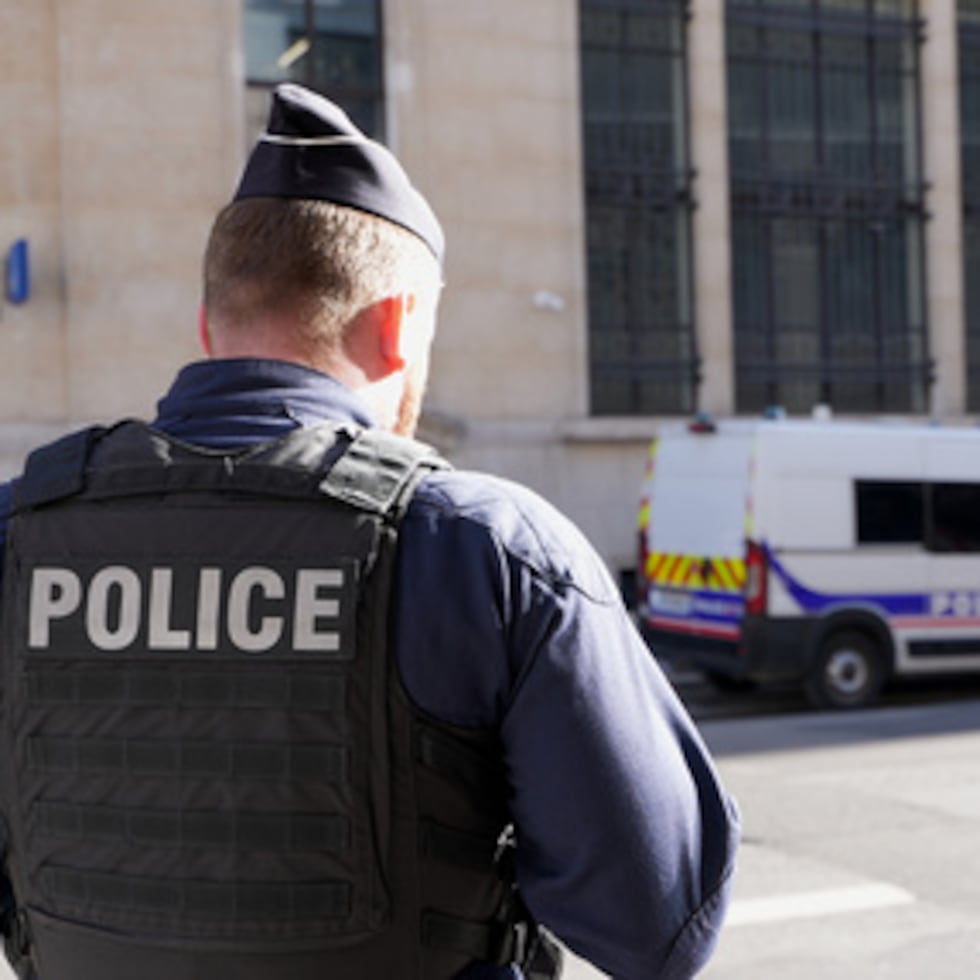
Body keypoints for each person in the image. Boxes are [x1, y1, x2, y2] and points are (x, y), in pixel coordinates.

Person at [0, 84, 739, 980]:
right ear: (396, 327)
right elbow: (659, 926)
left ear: (207, 323)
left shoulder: (21, 534)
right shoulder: (487, 554)